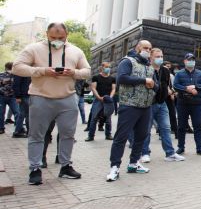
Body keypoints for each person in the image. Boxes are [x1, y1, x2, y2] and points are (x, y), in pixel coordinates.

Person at [13, 22, 90, 185]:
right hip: (40, 97)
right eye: (53, 37)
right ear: (47, 34)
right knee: (36, 134)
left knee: (68, 134)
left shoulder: (75, 51)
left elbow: (87, 71)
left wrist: (74, 72)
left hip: (67, 98)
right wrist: (42, 70)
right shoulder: (34, 48)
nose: (57, 40)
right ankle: (35, 168)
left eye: (60, 37)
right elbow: (17, 67)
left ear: (66, 35)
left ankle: (66, 166)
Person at [105, 41, 158, 182]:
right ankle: (114, 167)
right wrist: (144, 80)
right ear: (138, 48)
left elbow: (155, 84)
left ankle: (134, 163)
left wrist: (154, 85)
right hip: (129, 105)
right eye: (145, 48)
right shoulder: (127, 61)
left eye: (149, 48)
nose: (147, 50)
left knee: (141, 136)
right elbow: (121, 78)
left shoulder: (149, 65)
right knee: (121, 137)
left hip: (146, 106)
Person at [138, 48, 185, 163]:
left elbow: (166, 85)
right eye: (157, 56)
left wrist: (170, 91)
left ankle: (170, 153)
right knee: (146, 130)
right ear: (151, 57)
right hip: (148, 103)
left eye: (161, 56)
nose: (160, 59)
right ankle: (145, 153)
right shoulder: (146, 69)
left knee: (166, 128)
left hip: (161, 103)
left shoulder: (165, 71)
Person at [174, 53, 201, 156]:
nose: (191, 61)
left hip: (197, 104)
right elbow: (175, 85)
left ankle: (199, 148)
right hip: (183, 104)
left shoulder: (200, 73)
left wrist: (196, 87)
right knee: (181, 126)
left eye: (193, 60)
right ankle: (181, 147)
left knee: (197, 126)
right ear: (184, 61)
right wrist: (186, 88)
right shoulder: (179, 74)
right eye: (189, 59)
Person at [85, 62, 116, 142]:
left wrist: (110, 97)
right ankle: (91, 136)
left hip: (108, 101)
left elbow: (113, 89)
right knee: (94, 118)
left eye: (109, 67)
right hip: (98, 100)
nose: (108, 68)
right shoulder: (96, 77)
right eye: (106, 67)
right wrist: (98, 97)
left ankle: (108, 135)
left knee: (108, 119)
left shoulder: (112, 78)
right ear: (102, 67)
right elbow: (93, 88)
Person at [0, 62, 25, 137]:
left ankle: (1, 128)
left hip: (3, 96)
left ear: (5, 67)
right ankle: (19, 128)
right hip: (13, 97)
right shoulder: (17, 75)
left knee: (1, 113)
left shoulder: (2, 75)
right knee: (17, 113)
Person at [163, 61, 178, 137]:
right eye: (167, 67)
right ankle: (160, 132)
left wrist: (172, 92)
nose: (168, 68)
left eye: (169, 67)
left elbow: (172, 85)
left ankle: (176, 132)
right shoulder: (160, 73)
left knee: (172, 114)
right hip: (162, 97)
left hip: (169, 97)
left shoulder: (170, 75)